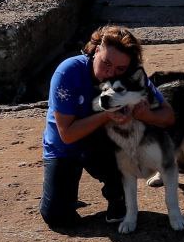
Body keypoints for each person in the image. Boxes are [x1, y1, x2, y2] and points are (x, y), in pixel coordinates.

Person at [39, 25, 175, 228]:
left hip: (104, 144)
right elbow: (67, 135)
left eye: (119, 69)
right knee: (57, 218)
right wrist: (106, 116)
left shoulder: (131, 75)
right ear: (96, 50)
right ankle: (63, 195)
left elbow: (168, 116)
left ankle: (117, 192)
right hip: (64, 148)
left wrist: (146, 115)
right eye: (106, 63)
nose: (111, 73)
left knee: (125, 136)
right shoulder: (68, 71)